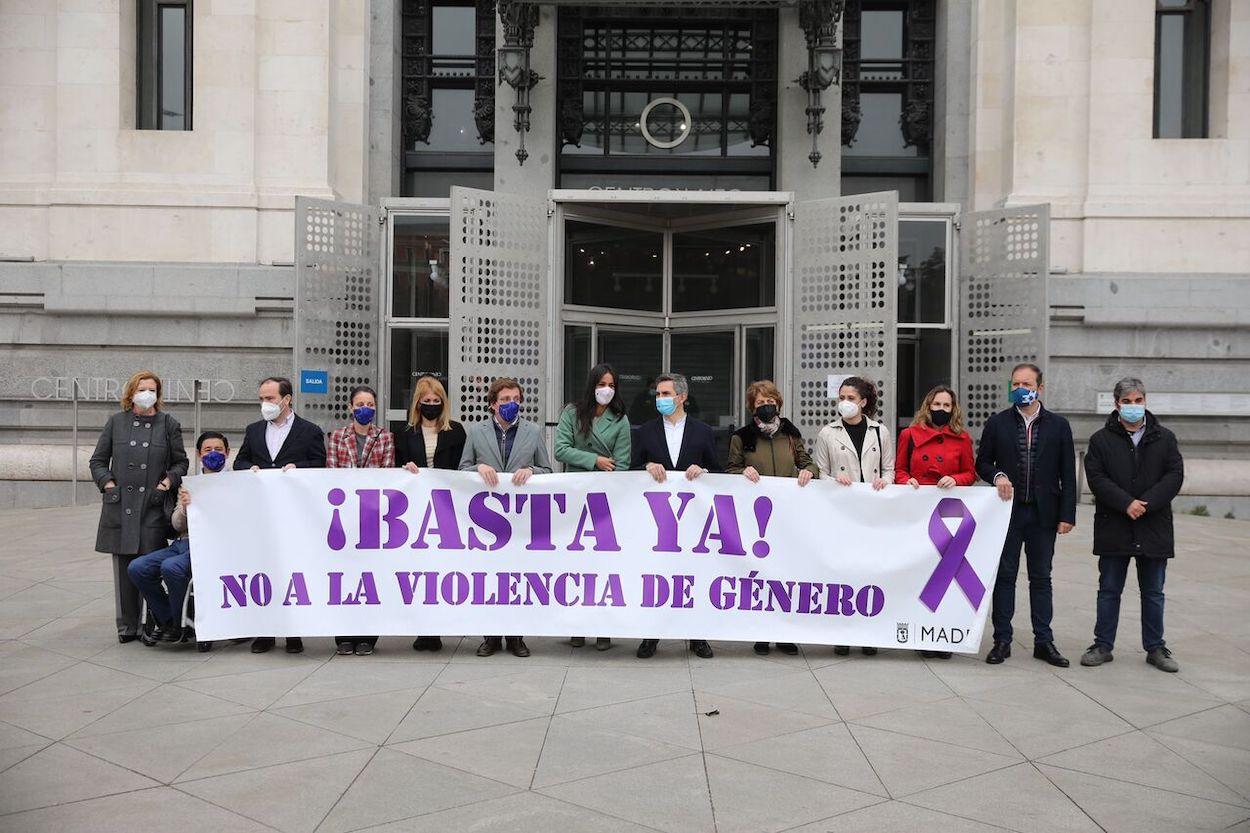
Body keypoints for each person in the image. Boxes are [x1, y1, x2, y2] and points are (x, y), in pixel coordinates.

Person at [975, 363, 1076, 668]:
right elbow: (983, 463)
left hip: (1044, 514)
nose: (1020, 388)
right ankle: (1001, 640)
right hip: (1008, 514)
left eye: (1026, 383)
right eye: (1016, 383)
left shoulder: (1058, 425)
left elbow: (1067, 474)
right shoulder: (998, 423)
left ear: (1040, 388)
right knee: (1005, 576)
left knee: (1041, 577)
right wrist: (998, 476)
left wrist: (1067, 514)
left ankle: (1044, 641)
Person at [1081, 377, 1184, 673]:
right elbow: (1097, 477)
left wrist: (1147, 503)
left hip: (1153, 526)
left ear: (1145, 402)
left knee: (1153, 592)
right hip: (1115, 525)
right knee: (1109, 590)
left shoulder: (1164, 438)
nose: (1133, 407)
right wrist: (1126, 502)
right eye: (1127, 402)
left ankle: (1156, 647)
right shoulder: (1101, 440)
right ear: (1116, 405)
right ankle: (1102, 645)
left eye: (1138, 401)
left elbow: (1174, 475)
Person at [90, 370, 189, 643]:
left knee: (149, 566)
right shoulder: (116, 423)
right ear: (131, 392)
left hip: (153, 506)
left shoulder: (168, 424)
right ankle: (127, 625)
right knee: (123, 568)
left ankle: (153, 622)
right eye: (142, 389)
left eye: (152, 389)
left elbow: (181, 463)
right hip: (121, 506)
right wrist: (108, 484)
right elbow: (97, 461)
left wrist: (166, 484)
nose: (147, 394)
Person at [460, 377, 552, 658]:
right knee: (489, 578)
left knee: (517, 577)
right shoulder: (476, 432)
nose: (511, 404)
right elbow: (461, 468)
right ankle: (490, 637)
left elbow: (548, 470)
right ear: (492, 404)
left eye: (515, 399)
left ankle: (515, 637)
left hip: (521, 519)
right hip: (487, 520)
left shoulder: (533, 431)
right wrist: (479, 467)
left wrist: (532, 471)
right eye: (504, 400)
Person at [631, 373, 721, 660]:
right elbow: (631, 469)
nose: (661, 400)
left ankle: (697, 636)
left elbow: (717, 471)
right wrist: (647, 465)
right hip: (657, 519)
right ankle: (651, 636)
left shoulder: (703, 431)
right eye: (658, 395)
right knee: (656, 575)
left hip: (693, 519)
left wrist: (703, 472)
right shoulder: (645, 431)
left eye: (666, 394)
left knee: (693, 574)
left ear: (682, 397)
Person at [234, 376, 327, 654]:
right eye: (262, 398)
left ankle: (293, 633)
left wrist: (297, 467)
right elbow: (240, 460)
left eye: (271, 398)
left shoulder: (309, 430)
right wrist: (248, 469)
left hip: (294, 515)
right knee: (264, 569)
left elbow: (319, 464)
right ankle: (264, 632)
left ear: (286, 399)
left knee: (291, 571)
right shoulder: (253, 431)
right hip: (262, 514)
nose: (265, 404)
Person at [726, 380, 818, 657]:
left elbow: (807, 461)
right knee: (760, 574)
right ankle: (762, 632)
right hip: (758, 517)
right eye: (759, 404)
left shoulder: (790, 434)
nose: (765, 407)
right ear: (752, 408)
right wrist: (742, 472)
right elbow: (730, 469)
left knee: (787, 574)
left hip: (789, 515)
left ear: (777, 403)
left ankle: (786, 632)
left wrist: (809, 471)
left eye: (769, 402)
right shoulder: (742, 437)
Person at [813, 376, 894, 657]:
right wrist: (835, 478)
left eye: (850, 398)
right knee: (843, 570)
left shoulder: (879, 432)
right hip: (841, 511)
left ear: (863, 402)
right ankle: (842, 632)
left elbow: (889, 468)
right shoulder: (828, 433)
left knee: (869, 570)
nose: (844, 403)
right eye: (841, 398)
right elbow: (819, 472)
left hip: (871, 511)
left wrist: (885, 481)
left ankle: (868, 632)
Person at [896, 385, 977, 659]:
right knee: (921, 572)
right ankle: (919, 630)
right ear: (927, 406)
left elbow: (970, 472)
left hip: (948, 514)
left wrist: (956, 479)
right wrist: (908, 481)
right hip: (918, 512)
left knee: (946, 575)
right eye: (937, 405)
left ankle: (943, 633)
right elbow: (899, 470)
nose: (941, 410)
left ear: (953, 409)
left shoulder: (962, 438)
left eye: (946, 406)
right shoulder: (909, 434)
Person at [555, 363, 632, 652]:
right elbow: (560, 449)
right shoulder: (572, 413)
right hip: (574, 495)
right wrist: (596, 460)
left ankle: (603, 629)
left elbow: (623, 463)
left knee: (603, 566)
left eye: (611, 385)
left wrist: (608, 478)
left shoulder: (620, 419)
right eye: (601, 384)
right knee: (574, 565)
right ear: (592, 386)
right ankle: (577, 626)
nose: (607, 390)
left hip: (605, 500)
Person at [128, 431, 228, 646]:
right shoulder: (190, 484)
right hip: (182, 543)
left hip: (211, 546)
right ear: (199, 455)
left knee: (171, 568)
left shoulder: (236, 483)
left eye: (218, 449)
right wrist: (184, 508)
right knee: (138, 567)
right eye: (208, 450)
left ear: (227, 453)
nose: (213, 454)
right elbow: (176, 524)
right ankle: (169, 618)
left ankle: (180, 622)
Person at [395, 374, 467, 653]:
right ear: (417, 403)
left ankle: (438, 627)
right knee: (419, 569)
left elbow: (462, 468)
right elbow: (394, 469)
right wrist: (405, 470)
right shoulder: (404, 433)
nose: (431, 405)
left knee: (442, 569)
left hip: (447, 510)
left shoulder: (456, 431)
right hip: (414, 511)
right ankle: (423, 630)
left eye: (436, 401)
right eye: (426, 401)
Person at [325, 385, 395, 657]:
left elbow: (387, 474)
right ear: (351, 407)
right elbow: (332, 473)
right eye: (360, 404)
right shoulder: (337, 437)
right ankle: (343, 635)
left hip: (373, 517)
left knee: (371, 576)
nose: (365, 408)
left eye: (370, 403)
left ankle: (368, 636)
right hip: (343, 515)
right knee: (343, 576)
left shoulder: (385, 437)